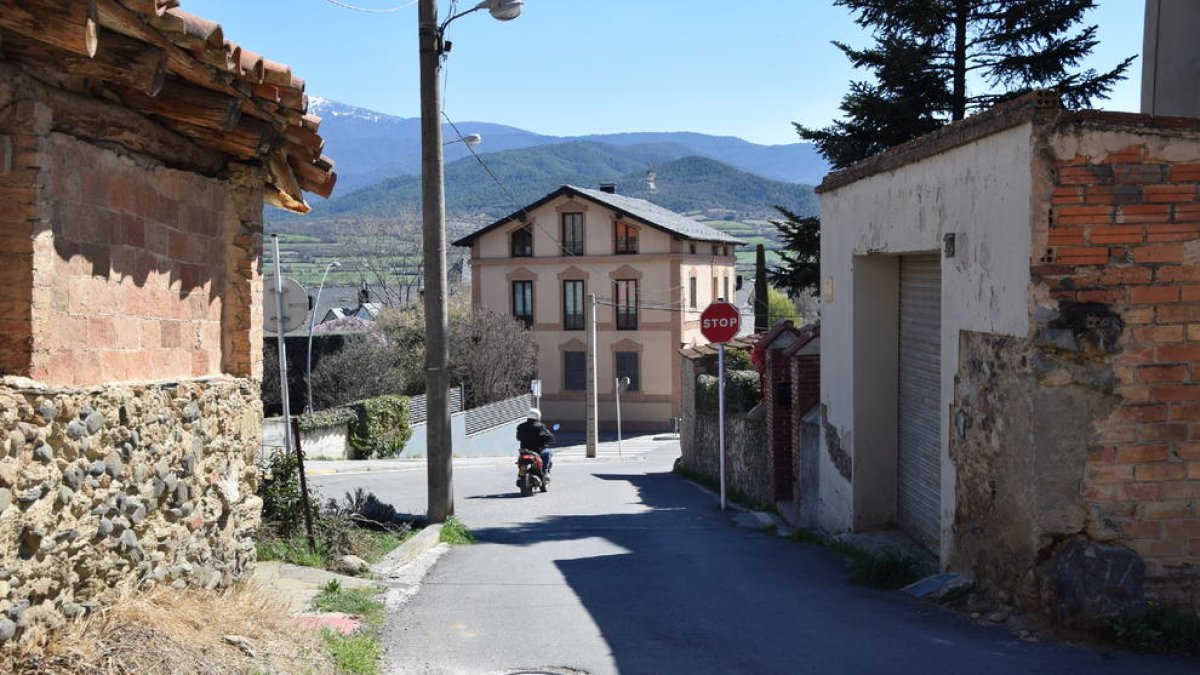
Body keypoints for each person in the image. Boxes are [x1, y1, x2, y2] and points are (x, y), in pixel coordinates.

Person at [516, 408, 554, 479]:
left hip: (524, 450)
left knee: (521, 460)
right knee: (548, 452)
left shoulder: (520, 426)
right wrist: (549, 438)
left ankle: (520, 476)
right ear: (538, 416)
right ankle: (545, 472)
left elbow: (518, 438)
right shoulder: (540, 426)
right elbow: (547, 436)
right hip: (538, 450)